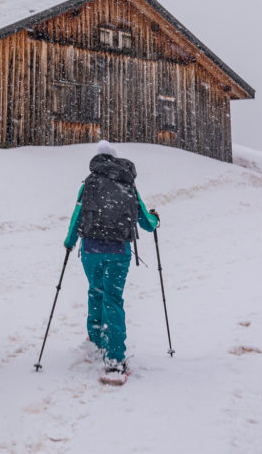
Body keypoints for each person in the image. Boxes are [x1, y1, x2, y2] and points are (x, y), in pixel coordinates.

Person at [64, 140, 159, 379]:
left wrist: (69, 241)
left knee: (95, 292)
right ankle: (115, 357)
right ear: (115, 159)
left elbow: (78, 214)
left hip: (90, 250)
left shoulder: (89, 183)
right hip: (118, 251)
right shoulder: (127, 182)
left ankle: (95, 342)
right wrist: (156, 220)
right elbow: (145, 221)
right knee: (113, 299)